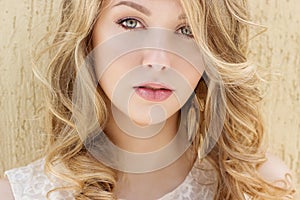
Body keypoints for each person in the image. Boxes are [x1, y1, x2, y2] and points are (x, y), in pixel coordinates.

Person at [0, 0, 296, 199]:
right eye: (131, 23)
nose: (158, 60)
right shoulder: (18, 194)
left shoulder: (260, 185)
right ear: (89, 35)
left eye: (187, 30)